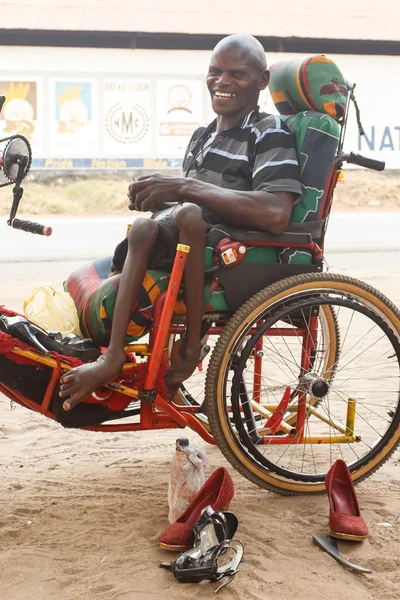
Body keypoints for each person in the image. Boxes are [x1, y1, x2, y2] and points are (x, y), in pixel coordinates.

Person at [59, 33, 302, 410]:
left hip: (230, 256)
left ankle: (154, 350)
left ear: (262, 80)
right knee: (142, 231)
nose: (222, 82)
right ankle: (114, 353)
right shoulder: (203, 136)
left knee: (177, 215)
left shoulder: (268, 133)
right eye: (215, 72)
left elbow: (274, 213)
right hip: (186, 244)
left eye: (237, 74)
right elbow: (197, 198)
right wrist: (159, 192)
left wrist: (185, 188)